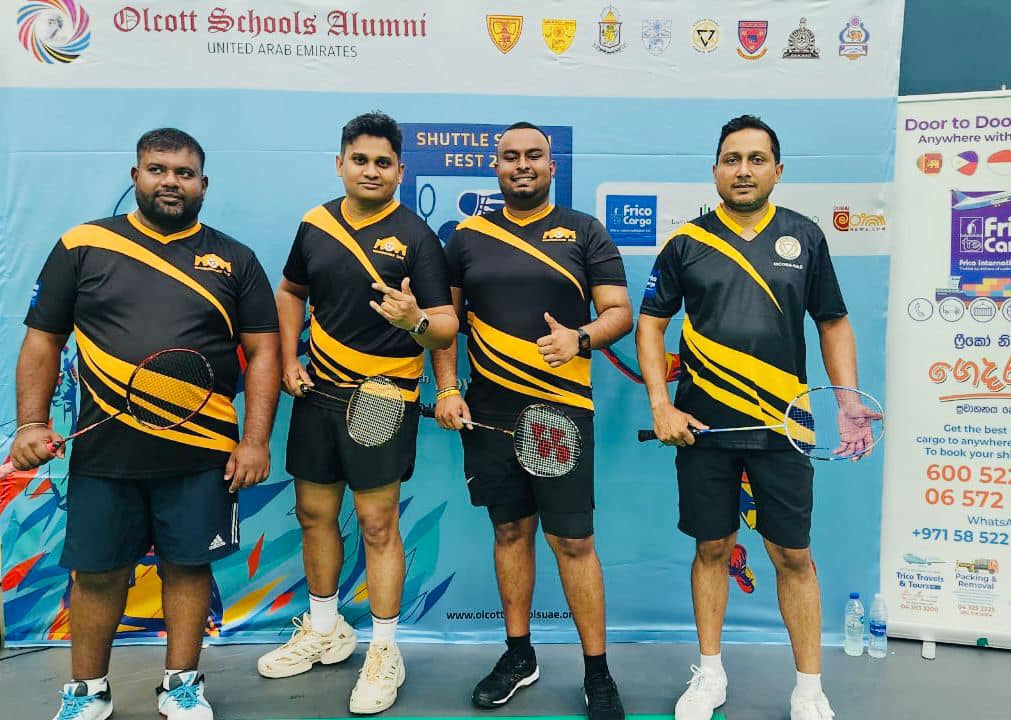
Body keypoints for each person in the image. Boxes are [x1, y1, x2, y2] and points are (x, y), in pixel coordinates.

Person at [10, 128, 281, 720]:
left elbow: (264, 352)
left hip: (202, 454)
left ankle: (181, 686)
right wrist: (30, 423)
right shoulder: (83, 245)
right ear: (135, 176)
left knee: (189, 567)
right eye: (158, 169)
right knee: (97, 573)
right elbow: (43, 340)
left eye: (184, 173)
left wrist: (256, 440)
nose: (171, 182)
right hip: (105, 454)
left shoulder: (236, 260)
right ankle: (87, 692)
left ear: (204, 184)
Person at [636, 115, 876, 720]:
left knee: (793, 556)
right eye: (732, 159)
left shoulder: (805, 237)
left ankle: (809, 689)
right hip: (703, 428)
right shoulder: (686, 242)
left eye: (756, 159)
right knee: (712, 548)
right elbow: (650, 323)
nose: (743, 170)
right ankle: (710, 674)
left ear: (777, 170)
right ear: (715, 170)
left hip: (784, 428)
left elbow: (832, 322)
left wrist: (848, 400)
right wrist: (661, 404)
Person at [255, 112, 456, 715]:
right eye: (360, 160)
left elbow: (447, 326)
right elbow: (290, 292)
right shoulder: (315, 225)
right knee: (314, 513)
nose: (372, 171)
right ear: (339, 164)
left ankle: (385, 648)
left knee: (377, 524)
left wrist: (415, 320)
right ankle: (325, 629)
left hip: (382, 401)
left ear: (401, 171)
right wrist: (288, 357)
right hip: (318, 396)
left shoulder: (417, 237)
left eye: (383, 163)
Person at [432, 122, 632, 719]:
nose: (522, 164)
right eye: (510, 156)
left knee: (574, 542)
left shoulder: (586, 231)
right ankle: (519, 656)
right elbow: (445, 323)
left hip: (561, 413)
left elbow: (619, 312)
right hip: (490, 414)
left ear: (552, 166)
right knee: (510, 533)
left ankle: (597, 672)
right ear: (496, 167)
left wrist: (581, 338)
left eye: (534, 156)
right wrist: (447, 388)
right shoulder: (467, 237)